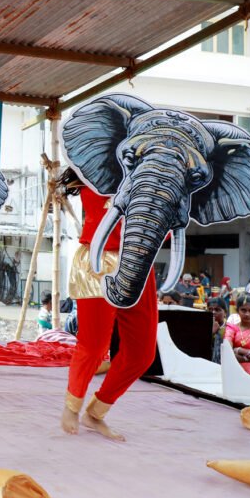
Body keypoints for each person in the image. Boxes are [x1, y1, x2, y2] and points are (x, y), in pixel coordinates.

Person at [60, 170, 158, 442]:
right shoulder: (95, 168)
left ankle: (97, 411)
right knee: (94, 345)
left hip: (139, 262)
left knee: (142, 353)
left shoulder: (157, 167)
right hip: (98, 261)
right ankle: (72, 406)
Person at [206, 297, 228, 363]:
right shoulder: (202, 327)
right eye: (210, 309)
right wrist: (212, 332)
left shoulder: (229, 328)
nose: (213, 312)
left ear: (225, 313)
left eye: (217, 310)